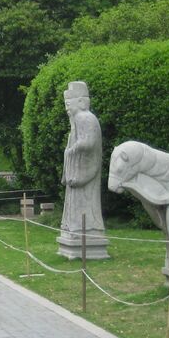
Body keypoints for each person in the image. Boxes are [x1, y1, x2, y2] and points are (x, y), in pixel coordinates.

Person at [61, 81, 104, 234]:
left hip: (84, 169)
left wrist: (74, 149)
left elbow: (89, 143)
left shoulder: (85, 118)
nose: (66, 108)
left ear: (80, 102)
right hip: (75, 168)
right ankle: (74, 227)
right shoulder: (76, 121)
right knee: (75, 201)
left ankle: (85, 228)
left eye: (68, 104)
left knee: (84, 201)